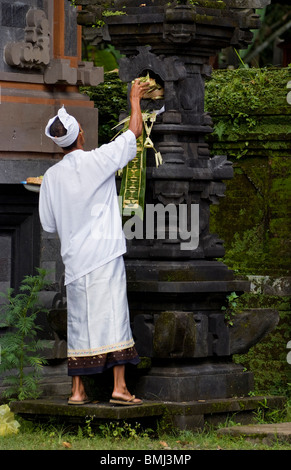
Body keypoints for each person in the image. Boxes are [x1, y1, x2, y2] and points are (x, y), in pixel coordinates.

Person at [39, 79, 149, 405]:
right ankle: (119, 388)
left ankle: (77, 391)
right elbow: (134, 133)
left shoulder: (51, 179)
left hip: (75, 261)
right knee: (113, 316)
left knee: (79, 321)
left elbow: (47, 223)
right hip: (103, 254)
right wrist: (134, 100)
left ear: (58, 144)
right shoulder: (98, 160)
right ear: (81, 137)